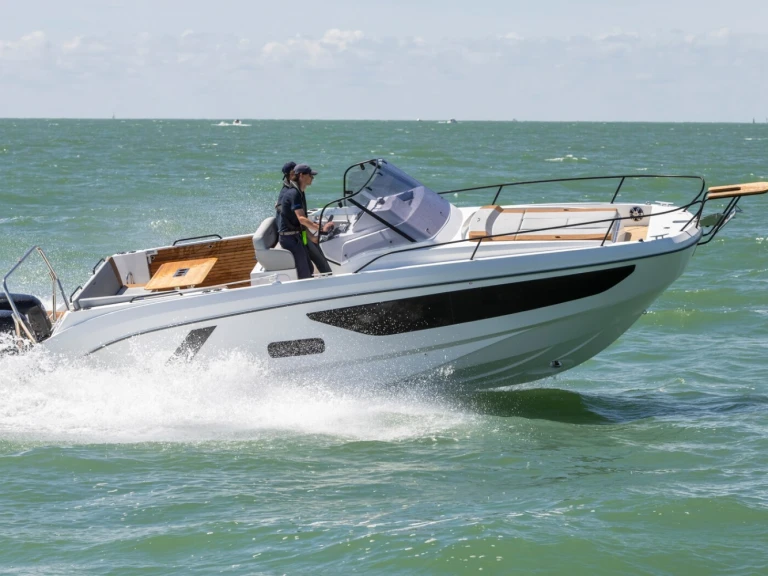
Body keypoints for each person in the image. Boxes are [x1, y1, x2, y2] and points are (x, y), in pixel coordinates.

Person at [292, 164, 334, 275]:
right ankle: (329, 279)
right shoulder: (294, 193)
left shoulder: (300, 192)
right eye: (310, 175)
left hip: (302, 233)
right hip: (293, 236)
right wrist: (319, 227)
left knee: (316, 252)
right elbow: (301, 218)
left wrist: (311, 236)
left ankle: (328, 276)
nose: (312, 178)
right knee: (316, 260)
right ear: (301, 175)